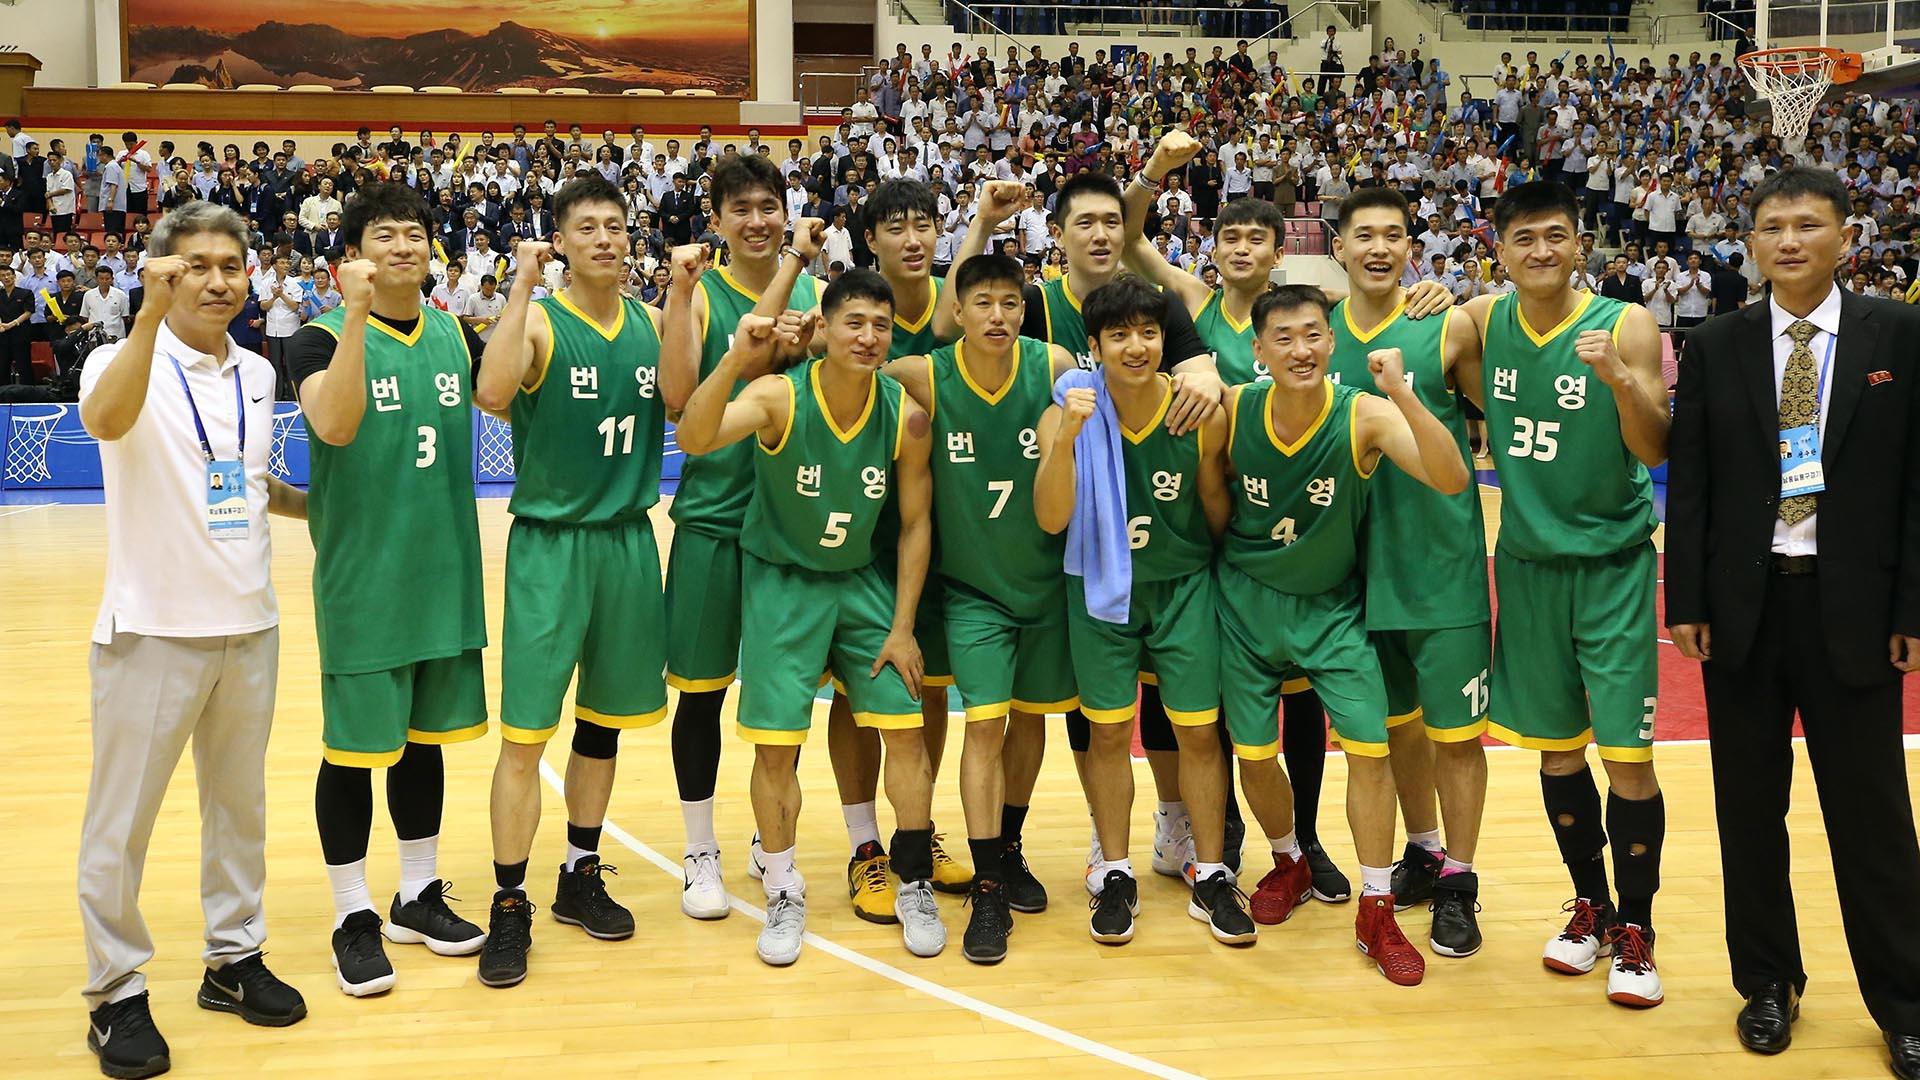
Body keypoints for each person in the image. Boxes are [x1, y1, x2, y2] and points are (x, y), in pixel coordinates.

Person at [1667, 166, 1920, 1074]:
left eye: (1808, 225)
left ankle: (1904, 1003)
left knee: (1875, 819)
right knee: (1749, 810)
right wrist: (1686, 602)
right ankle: (1768, 983)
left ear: (1847, 237)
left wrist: (1913, 607)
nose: (1789, 241)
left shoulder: (1901, 334)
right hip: (1744, 608)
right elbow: (1689, 483)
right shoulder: (1719, 342)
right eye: (1772, 226)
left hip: (1853, 609)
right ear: (1753, 242)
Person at [75, 202, 310, 1080]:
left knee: (239, 810)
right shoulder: (121, 356)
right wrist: (142, 317)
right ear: (162, 273)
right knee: (121, 826)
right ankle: (116, 991)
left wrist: (318, 508)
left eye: (231, 266)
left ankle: (233, 959)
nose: (216, 281)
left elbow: (246, 482)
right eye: (195, 266)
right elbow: (105, 421)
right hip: (150, 630)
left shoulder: (256, 371)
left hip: (249, 626)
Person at [957, 171, 1226, 885]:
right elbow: (965, 316)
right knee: (1085, 714)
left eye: (1115, 221)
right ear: (1061, 233)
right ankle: (1098, 853)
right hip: (1059, 532)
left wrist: (1204, 373)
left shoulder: (1156, 308)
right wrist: (981, 225)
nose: (1102, 234)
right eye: (1086, 223)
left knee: (1176, 712)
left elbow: (1199, 365)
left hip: (1157, 537)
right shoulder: (1038, 306)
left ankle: (1179, 832)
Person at [674, 269, 941, 967]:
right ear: (822, 328)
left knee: (906, 734)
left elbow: (916, 526)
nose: (870, 336)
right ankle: (784, 885)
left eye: (881, 325)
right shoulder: (777, 396)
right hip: (783, 584)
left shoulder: (904, 412)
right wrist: (735, 356)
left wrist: (903, 625)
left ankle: (914, 881)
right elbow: (695, 437)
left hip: (861, 586)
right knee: (776, 747)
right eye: (854, 322)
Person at [1212, 280, 1471, 985]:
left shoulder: (1363, 414)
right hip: (1244, 606)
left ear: (1332, 341)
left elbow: (1451, 478)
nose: (1301, 349)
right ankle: (1290, 861)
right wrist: (1193, 367)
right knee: (1257, 758)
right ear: (1257, 349)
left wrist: (1406, 397)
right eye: (1284, 338)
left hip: (1332, 611)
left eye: (1313, 335)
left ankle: (1377, 905)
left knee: (1371, 751)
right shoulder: (1233, 407)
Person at [1454, 181, 1670, 1008]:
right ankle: (1594, 908)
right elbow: (1442, 335)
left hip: (1612, 565)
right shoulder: (1482, 324)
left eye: (1556, 237)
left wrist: (1620, 380)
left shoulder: (1626, 324)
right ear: (1499, 250)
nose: (1541, 252)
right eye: (1524, 240)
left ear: (1581, 243)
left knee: (1630, 759)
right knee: (1556, 750)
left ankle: (1640, 929)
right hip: (1528, 562)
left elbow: (1654, 446)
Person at [284, 182, 491, 997]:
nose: (402, 246)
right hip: (363, 581)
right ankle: (351, 914)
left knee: (424, 742)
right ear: (355, 256)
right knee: (353, 751)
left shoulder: (453, 334)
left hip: (445, 574)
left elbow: (510, 396)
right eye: (385, 236)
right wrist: (360, 316)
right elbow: (334, 425)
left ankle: (415, 895)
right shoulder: (314, 338)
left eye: (414, 234)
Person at [470, 177, 668, 988]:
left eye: (616, 226)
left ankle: (578, 874)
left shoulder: (656, 322)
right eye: (586, 227)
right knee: (527, 736)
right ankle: (509, 902)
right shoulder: (542, 322)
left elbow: (689, 404)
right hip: (551, 546)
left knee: (603, 724)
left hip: (628, 540)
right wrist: (521, 281)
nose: (605, 239)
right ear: (561, 241)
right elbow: (489, 393)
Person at [1032, 274, 1252, 948]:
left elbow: (1215, 506)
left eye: (1149, 332)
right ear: (1093, 345)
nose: (1136, 346)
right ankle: (1115, 869)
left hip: (1182, 586)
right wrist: (1067, 440)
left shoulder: (1200, 411)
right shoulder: (1067, 410)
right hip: (1101, 589)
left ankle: (1211, 871)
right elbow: (1050, 517)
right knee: (1105, 734)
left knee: (1198, 732)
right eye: (1119, 334)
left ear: (1166, 338)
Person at [883, 253, 1079, 962]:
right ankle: (989, 882)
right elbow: (842, 376)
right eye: (983, 304)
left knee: (1030, 723)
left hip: (1050, 583)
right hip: (973, 592)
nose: (998, 316)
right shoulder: (925, 373)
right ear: (956, 313)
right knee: (986, 730)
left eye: (1011, 303)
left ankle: (1012, 843)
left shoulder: (1053, 364)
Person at [1320, 187, 1492, 960]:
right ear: (1341, 249)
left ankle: (1459, 882)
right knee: (1392, 733)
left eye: (1395, 235)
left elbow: (1501, 421)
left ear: (1410, 247)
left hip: (1440, 564)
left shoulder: (1444, 324)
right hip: (1354, 568)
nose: (1381, 247)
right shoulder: (1314, 333)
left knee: (1456, 738)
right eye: (1366, 236)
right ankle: (1422, 849)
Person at [657, 155, 824, 918]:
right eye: (742, 208)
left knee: (776, 705)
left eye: (770, 206)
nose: (758, 219)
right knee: (700, 697)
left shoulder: (818, 295)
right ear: (717, 220)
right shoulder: (697, 296)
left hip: (788, 533)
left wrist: (815, 347)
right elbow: (681, 402)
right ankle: (699, 849)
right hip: (714, 525)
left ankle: (770, 842)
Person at [0, 263, 35, 384]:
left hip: (21, 333)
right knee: (2, 364)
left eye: (9, 275)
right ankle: (3, 393)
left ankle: (28, 391)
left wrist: (12, 324)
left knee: (23, 363)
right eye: (3, 275)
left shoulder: (26, 293)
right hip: (2, 334)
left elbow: (28, 312)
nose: (6, 278)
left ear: (14, 276)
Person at [80, 265, 130, 341]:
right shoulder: (88, 295)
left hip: (116, 335)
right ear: (96, 279)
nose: (104, 281)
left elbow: (125, 316)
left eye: (107, 279)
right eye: (101, 279)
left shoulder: (120, 295)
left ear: (112, 279)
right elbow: (85, 316)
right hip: (95, 337)